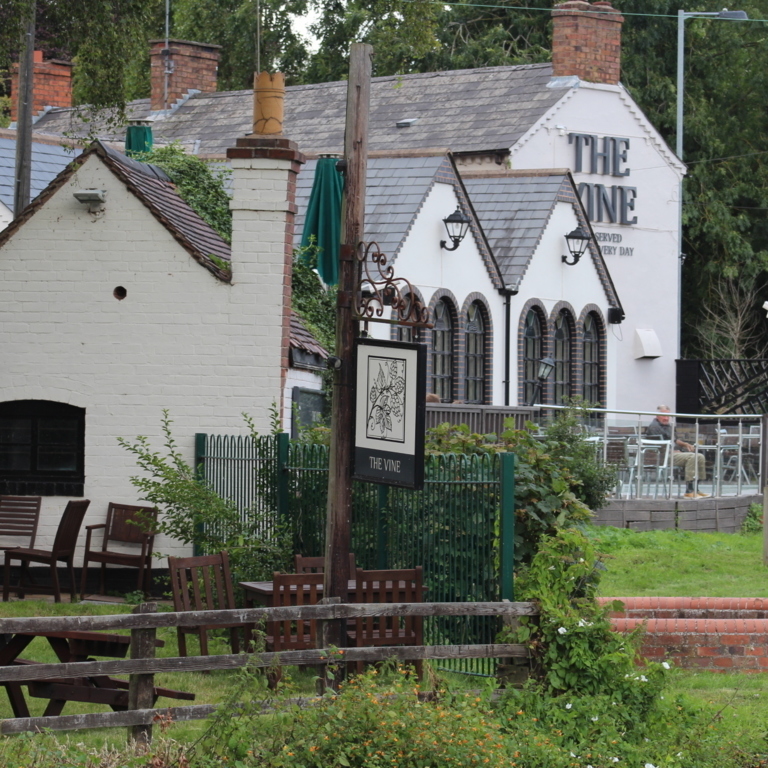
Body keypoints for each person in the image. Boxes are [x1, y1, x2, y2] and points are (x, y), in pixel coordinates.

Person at [646, 405, 708, 498]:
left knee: (700, 456)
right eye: (663, 415)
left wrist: (685, 444)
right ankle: (689, 490)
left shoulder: (667, 426)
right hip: (661, 456)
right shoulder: (654, 427)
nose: (666, 418)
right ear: (657, 415)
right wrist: (672, 451)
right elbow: (658, 446)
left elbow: (674, 439)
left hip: (669, 453)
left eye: (668, 415)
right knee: (692, 457)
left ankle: (696, 488)